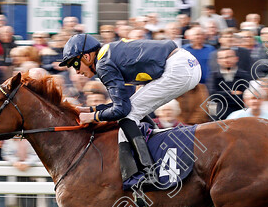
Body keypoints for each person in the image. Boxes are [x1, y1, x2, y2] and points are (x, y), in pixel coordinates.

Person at [60, 33, 201, 188]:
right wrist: (89, 109)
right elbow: (123, 104)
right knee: (135, 110)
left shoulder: (103, 64)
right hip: (184, 64)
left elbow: (121, 110)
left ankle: (149, 172)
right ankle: (153, 159)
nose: (76, 71)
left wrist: (92, 116)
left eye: (75, 64)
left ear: (87, 57)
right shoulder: (107, 56)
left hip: (179, 68)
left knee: (128, 117)